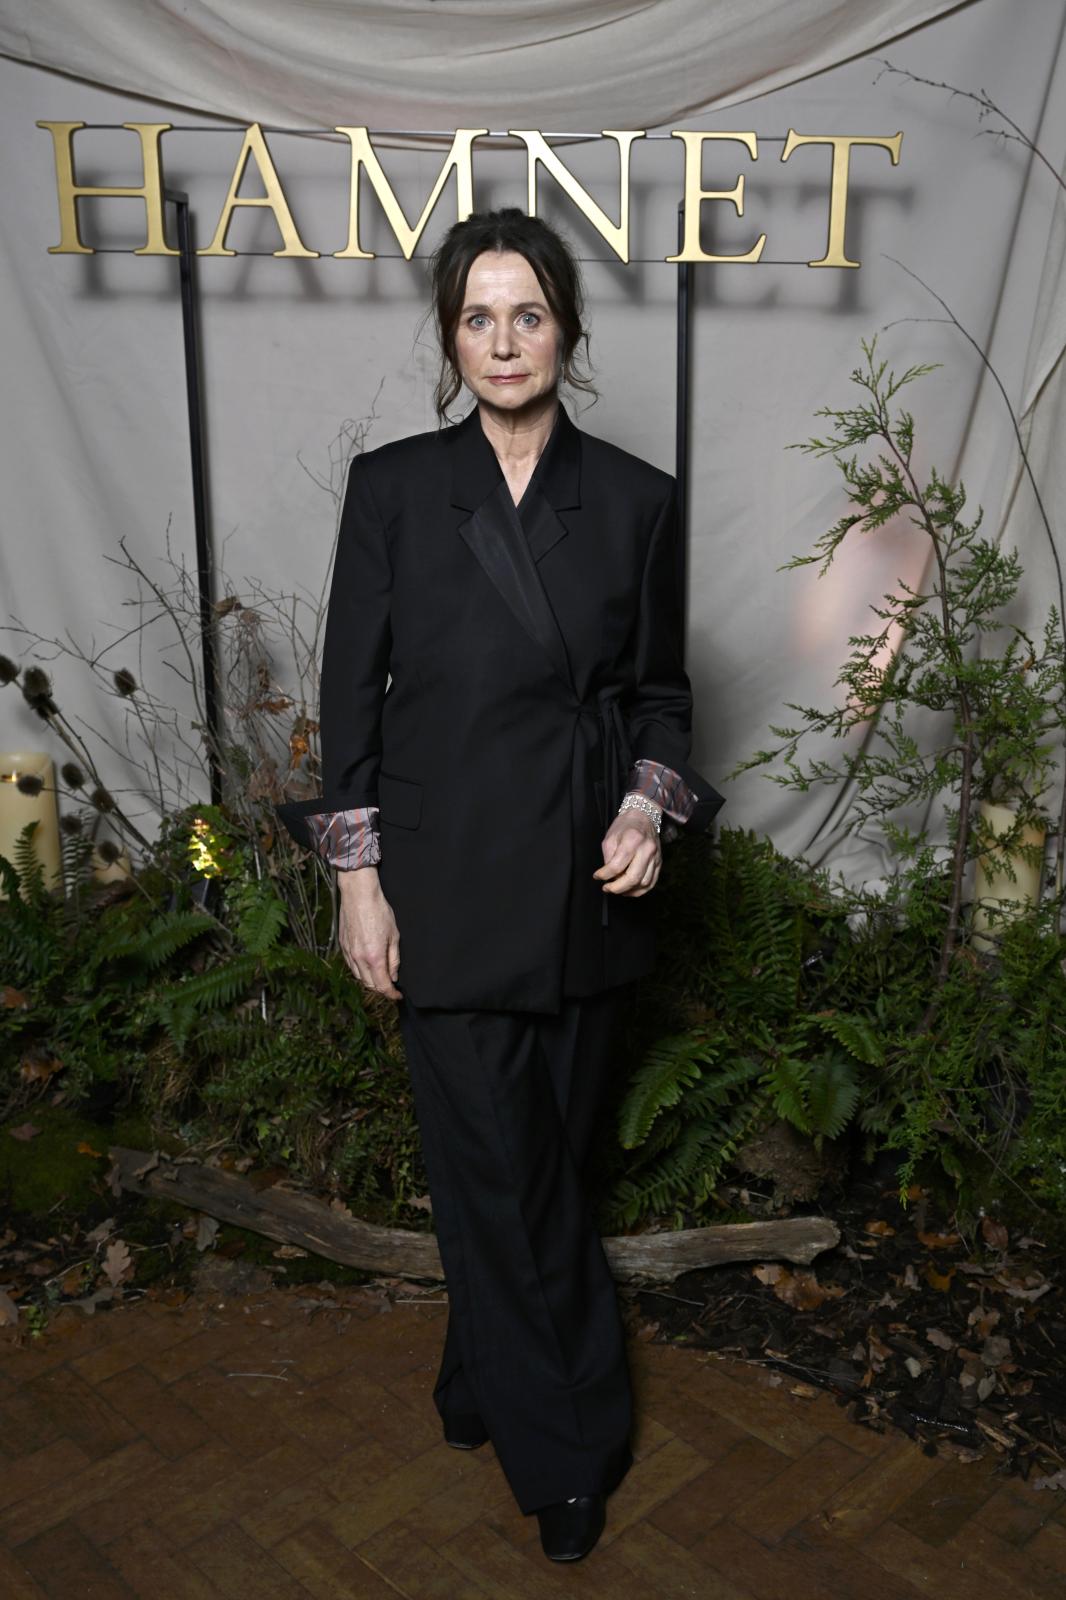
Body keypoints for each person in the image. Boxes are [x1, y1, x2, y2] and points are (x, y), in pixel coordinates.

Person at [276, 206, 724, 1562]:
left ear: (567, 331)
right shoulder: (394, 489)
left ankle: (478, 1372)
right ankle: (570, 1448)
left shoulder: (636, 499)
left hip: (585, 883)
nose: (503, 341)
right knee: (505, 1171)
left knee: (543, 1167)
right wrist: (358, 885)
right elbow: (347, 701)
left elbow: (661, 694)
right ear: (450, 337)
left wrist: (647, 811)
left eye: (527, 314)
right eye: (477, 317)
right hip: (446, 880)